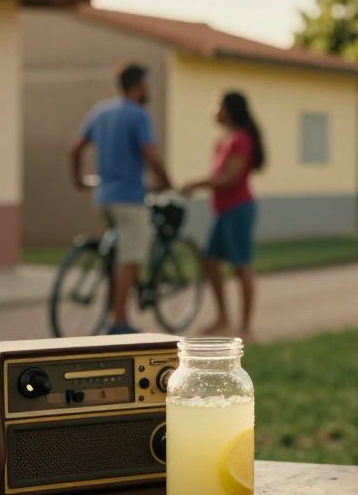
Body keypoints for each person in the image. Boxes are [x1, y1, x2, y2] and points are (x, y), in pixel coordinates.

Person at [69, 63, 171, 335]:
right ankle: (120, 321)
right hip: (129, 197)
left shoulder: (100, 112)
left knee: (120, 251)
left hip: (103, 196)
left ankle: (114, 305)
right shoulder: (138, 115)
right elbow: (149, 153)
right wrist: (166, 181)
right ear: (138, 86)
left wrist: (78, 179)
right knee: (131, 257)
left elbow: (75, 149)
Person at [182, 91, 265, 339]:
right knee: (210, 261)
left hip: (238, 209)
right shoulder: (224, 141)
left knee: (241, 266)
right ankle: (223, 318)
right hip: (222, 211)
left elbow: (229, 179)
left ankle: (245, 327)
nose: (213, 109)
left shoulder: (240, 140)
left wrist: (195, 184)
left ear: (228, 110)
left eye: (217, 105)